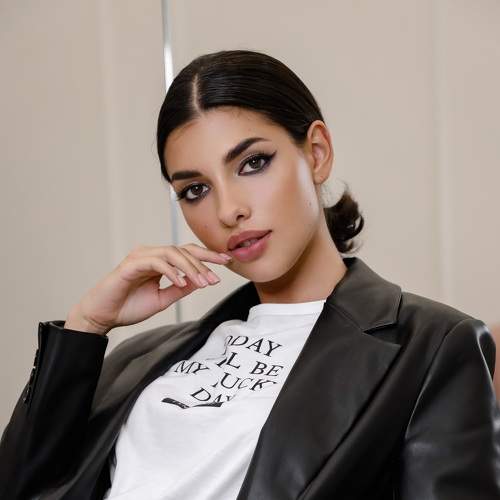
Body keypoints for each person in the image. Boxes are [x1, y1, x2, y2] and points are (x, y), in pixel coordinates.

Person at [0, 49, 498, 500]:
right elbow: (21, 486)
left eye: (253, 163)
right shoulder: (139, 357)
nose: (228, 210)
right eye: (195, 190)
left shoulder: (431, 346)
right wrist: (86, 327)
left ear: (317, 152)